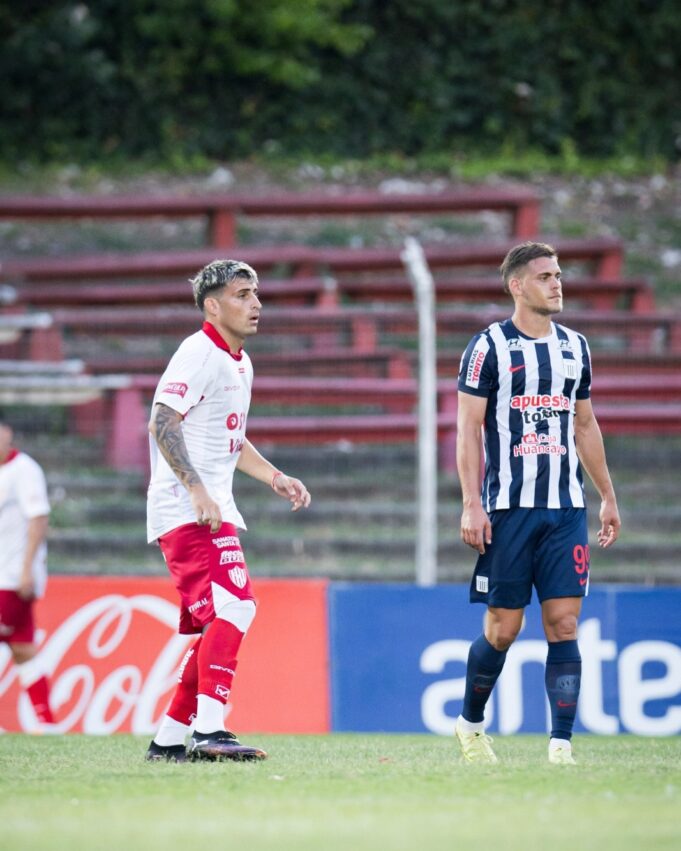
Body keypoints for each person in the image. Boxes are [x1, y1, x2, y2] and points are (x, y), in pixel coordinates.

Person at [455, 241, 621, 766]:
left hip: (564, 509)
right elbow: (468, 430)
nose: (557, 284)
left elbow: (585, 423)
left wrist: (608, 497)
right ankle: (471, 725)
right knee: (504, 629)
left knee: (564, 625)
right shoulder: (488, 347)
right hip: (507, 510)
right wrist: (470, 504)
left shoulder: (576, 347)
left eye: (559, 275)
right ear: (517, 285)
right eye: (545, 276)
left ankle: (561, 745)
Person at [145, 259, 311, 763]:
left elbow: (230, 440)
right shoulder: (198, 353)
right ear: (212, 306)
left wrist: (275, 477)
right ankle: (209, 730)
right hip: (187, 508)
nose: (256, 303)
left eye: (256, 293)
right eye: (243, 295)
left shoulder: (239, 361)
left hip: (210, 508)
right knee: (236, 607)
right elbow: (162, 420)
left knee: (222, 616)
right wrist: (195, 489)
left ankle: (170, 739)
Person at [0, 409, 56, 732]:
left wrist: (26, 570)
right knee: (22, 647)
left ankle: (46, 721)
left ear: (8, 432)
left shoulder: (24, 470)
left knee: (22, 646)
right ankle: (45, 721)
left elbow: (38, 519)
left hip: (10, 577)